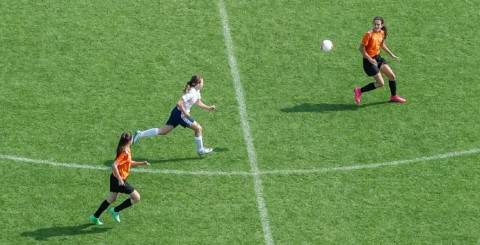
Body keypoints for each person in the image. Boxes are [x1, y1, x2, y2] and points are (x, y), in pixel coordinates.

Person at [132, 75, 216, 156]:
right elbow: (179, 103)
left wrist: (208, 108)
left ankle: (140, 134)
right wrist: (185, 112)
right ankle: (200, 150)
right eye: (201, 82)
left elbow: (198, 102)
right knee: (198, 128)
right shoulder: (191, 93)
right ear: (196, 83)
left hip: (176, 112)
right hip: (181, 114)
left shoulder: (196, 91)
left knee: (163, 131)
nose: (203, 84)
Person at [89, 132, 150, 225]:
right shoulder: (125, 152)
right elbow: (114, 165)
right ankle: (116, 210)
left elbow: (128, 162)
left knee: (111, 199)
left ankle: (95, 216)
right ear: (129, 140)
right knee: (137, 197)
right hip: (119, 180)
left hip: (114, 178)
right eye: (132, 138)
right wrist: (120, 180)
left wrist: (142, 163)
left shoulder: (126, 149)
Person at [354, 16, 406, 105]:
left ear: (382, 25)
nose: (376, 26)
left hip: (377, 58)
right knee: (380, 83)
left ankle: (393, 96)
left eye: (378, 24)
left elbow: (382, 45)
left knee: (392, 76)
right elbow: (361, 48)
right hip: (368, 61)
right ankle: (359, 91)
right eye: (374, 24)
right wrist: (370, 59)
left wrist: (392, 55)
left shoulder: (382, 33)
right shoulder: (368, 35)